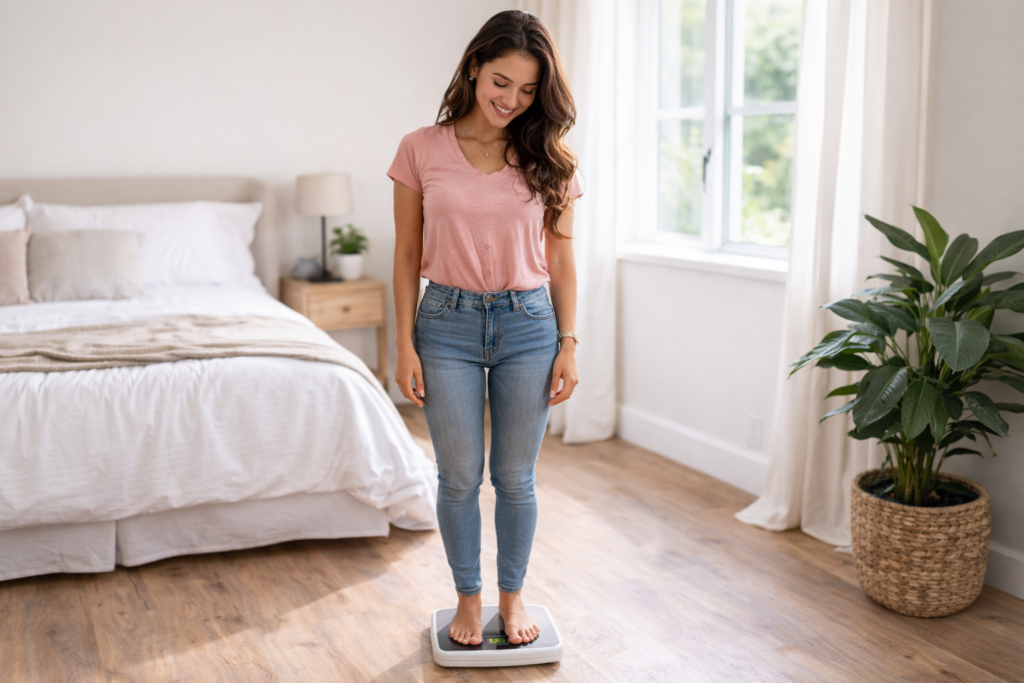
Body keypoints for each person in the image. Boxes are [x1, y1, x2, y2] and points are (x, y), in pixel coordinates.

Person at [386, 10, 583, 647]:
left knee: (516, 479)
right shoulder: (420, 148)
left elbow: (561, 260)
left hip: (530, 325)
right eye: (502, 82)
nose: (512, 101)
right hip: (445, 324)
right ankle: (468, 600)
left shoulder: (547, 157)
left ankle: (513, 597)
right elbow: (404, 253)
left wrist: (569, 344)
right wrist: (404, 345)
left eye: (528, 90)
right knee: (457, 477)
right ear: (473, 67)